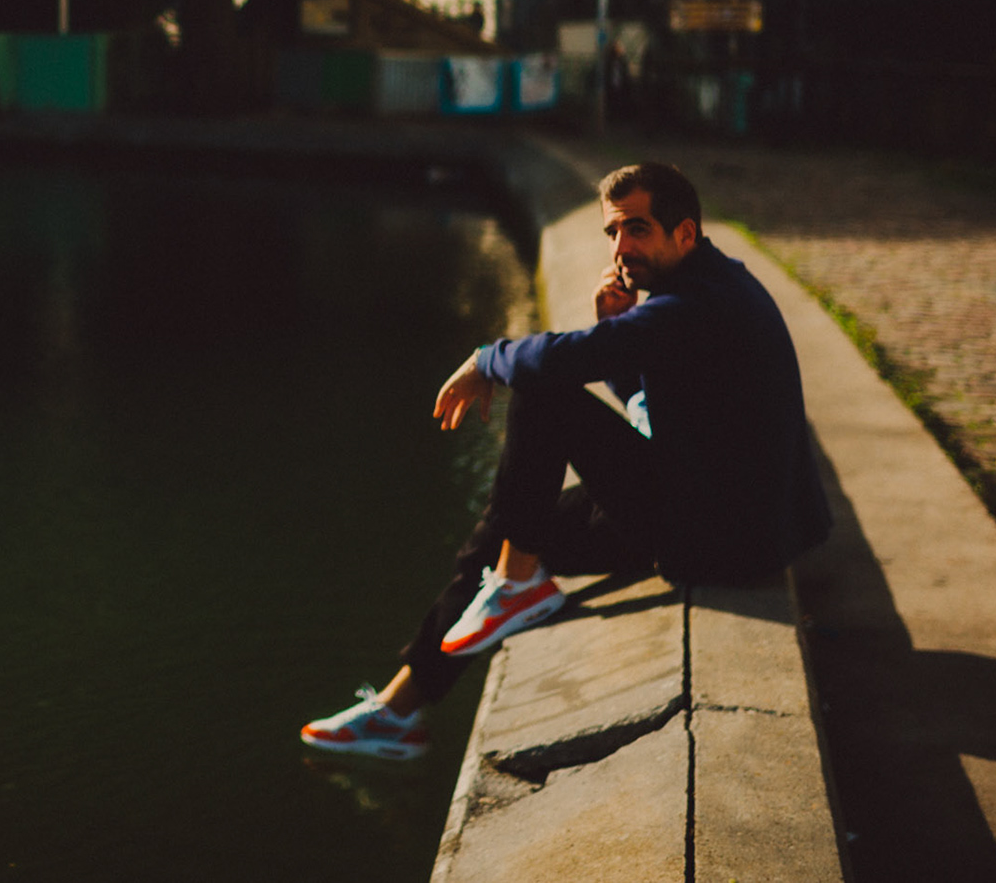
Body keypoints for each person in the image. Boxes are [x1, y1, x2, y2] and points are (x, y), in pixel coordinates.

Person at [300, 162, 830, 760]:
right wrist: (619, 328)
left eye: (638, 229)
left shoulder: (698, 305)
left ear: (685, 234)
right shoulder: (703, 289)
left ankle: (513, 589)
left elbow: (558, 361)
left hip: (721, 541)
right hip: (710, 508)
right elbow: (647, 406)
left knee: (542, 392)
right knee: (507, 528)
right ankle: (399, 709)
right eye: (613, 233)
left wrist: (484, 358)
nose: (622, 247)